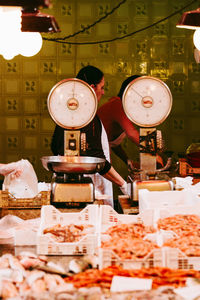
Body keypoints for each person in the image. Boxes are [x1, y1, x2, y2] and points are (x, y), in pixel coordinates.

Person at [51, 65, 128, 206]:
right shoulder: (88, 117)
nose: (103, 92)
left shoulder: (65, 115)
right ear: (92, 87)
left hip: (69, 187)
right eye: (102, 87)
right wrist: (123, 185)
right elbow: (98, 160)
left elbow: (55, 147)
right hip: (90, 191)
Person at [98, 75, 164, 171]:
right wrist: (153, 153)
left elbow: (112, 142)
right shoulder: (117, 105)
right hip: (94, 154)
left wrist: (128, 161)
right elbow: (132, 134)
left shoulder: (124, 109)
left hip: (100, 154)